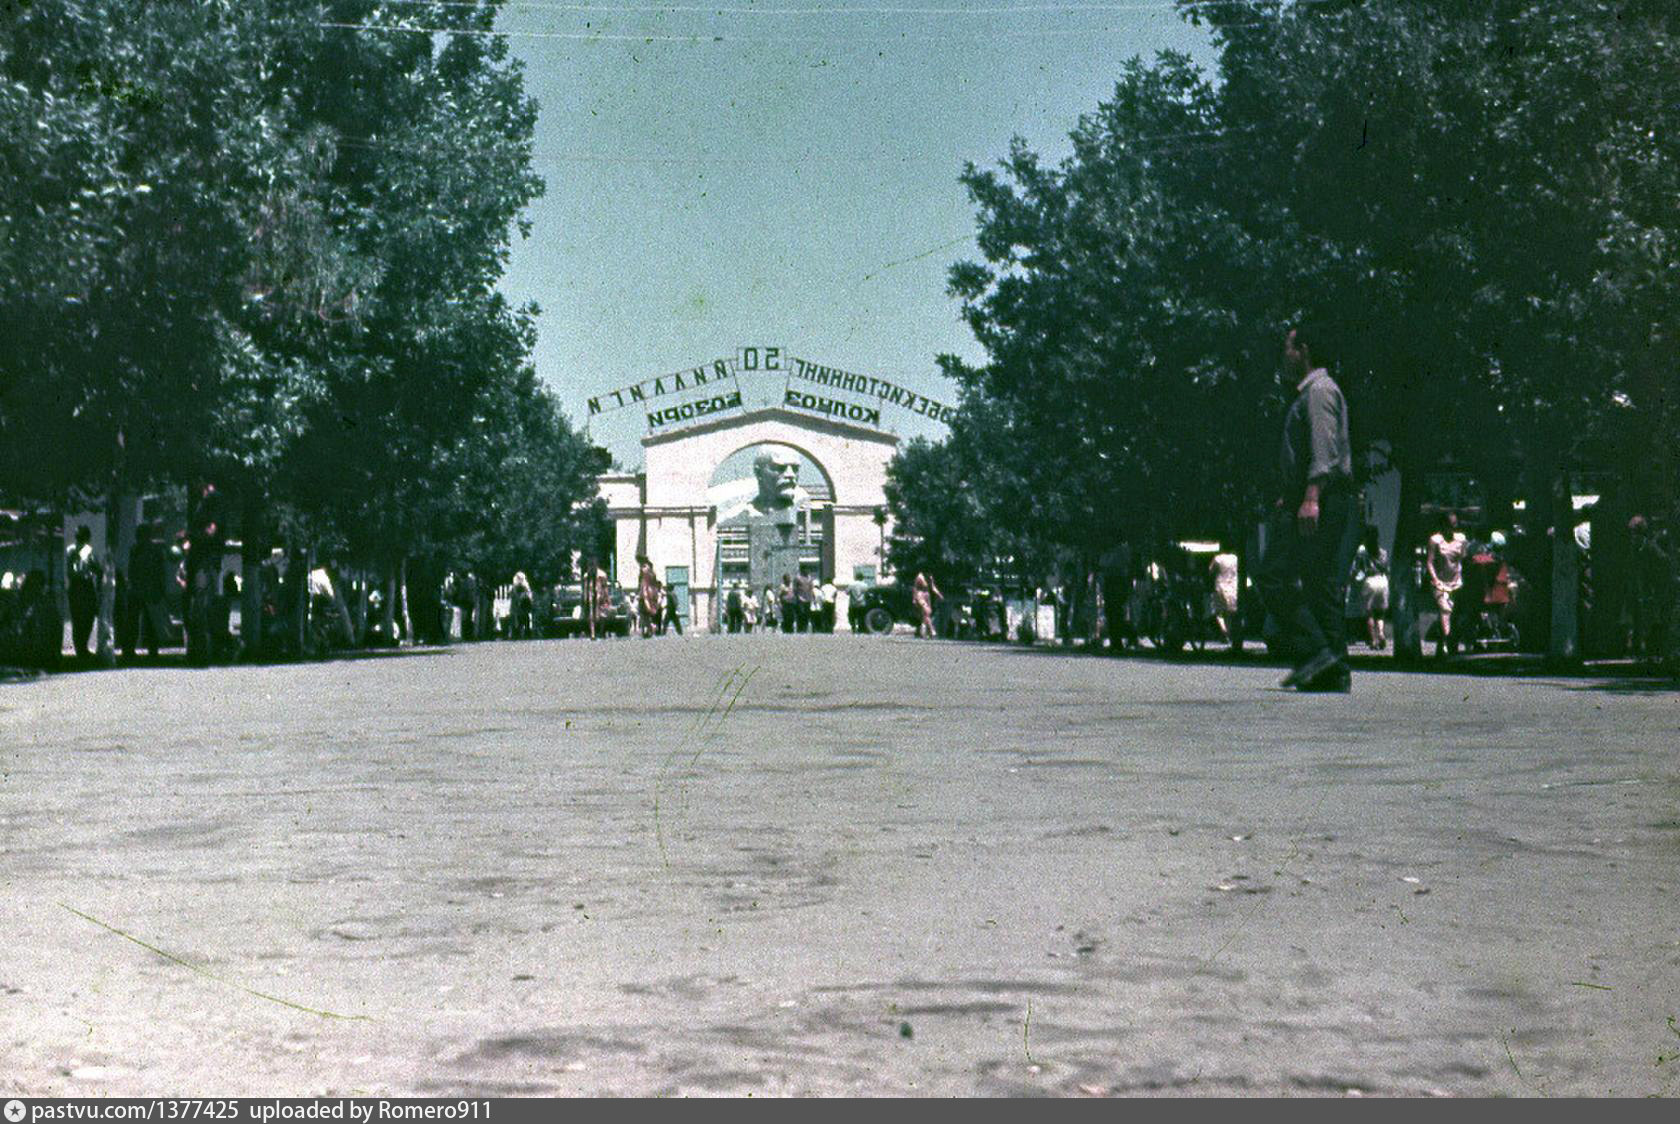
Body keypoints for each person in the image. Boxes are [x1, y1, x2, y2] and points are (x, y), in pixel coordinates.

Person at [1256, 322, 1359, 692]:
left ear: (1304, 350)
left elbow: (1323, 447)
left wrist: (1311, 496)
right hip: (1318, 494)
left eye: (1288, 347)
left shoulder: (1318, 391)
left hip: (1321, 497)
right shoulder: (1314, 391)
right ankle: (1334, 669)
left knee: (1273, 575)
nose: (1284, 355)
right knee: (1319, 581)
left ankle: (1315, 652)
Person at [1426, 511, 1469, 657]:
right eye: (1450, 525)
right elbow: (1429, 562)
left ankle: (1447, 644)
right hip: (1440, 583)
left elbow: (1463, 560)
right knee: (1445, 610)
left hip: (1456, 583)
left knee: (1455, 615)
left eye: (1455, 525)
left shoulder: (1461, 540)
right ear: (1443, 525)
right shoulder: (1435, 541)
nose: (1452, 528)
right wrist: (1435, 580)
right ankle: (1446, 642)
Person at [66, 524, 101, 658]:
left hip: (76, 586)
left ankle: (80, 647)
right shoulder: (86, 550)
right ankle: (82, 647)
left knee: (79, 618)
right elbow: (95, 568)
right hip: (84, 585)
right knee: (86, 617)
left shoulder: (71, 550)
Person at [1351, 532, 1389, 650]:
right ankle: (1381, 633)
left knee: (1369, 613)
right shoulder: (1383, 552)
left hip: (1370, 582)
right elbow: (1386, 568)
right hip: (1382, 581)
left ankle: (1373, 640)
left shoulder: (1362, 553)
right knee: (1380, 613)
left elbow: (1357, 569)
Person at [1208, 549, 1240, 645]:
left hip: (1220, 586)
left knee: (1219, 613)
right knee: (1229, 612)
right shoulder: (1236, 558)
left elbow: (1210, 571)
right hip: (1233, 586)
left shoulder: (1217, 558)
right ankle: (1228, 634)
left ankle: (1224, 631)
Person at [912, 571, 942, 638]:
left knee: (925, 614)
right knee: (926, 612)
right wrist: (914, 598)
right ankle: (932, 631)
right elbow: (915, 588)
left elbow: (932, 587)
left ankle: (922, 632)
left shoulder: (930, 577)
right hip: (920, 595)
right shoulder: (919, 577)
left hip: (927, 596)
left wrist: (939, 594)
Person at [637, 557, 660, 638]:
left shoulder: (646, 577)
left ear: (649, 567)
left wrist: (647, 602)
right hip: (650, 598)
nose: (642, 569)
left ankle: (651, 628)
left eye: (644, 566)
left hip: (646, 600)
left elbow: (644, 590)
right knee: (646, 617)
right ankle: (648, 630)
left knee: (645, 617)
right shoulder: (651, 576)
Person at [510, 571, 534, 639]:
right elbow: (513, 598)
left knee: (525, 622)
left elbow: (529, 597)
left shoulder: (525, 587)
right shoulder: (514, 588)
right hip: (517, 609)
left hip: (523, 609)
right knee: (518, 623)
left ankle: (526, 635)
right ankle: (517, 635)